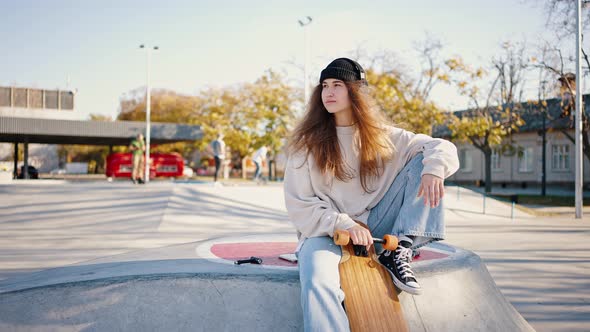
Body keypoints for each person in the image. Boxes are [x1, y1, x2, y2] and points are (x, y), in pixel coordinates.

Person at [283, 58, 459, 331]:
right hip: (326, 231)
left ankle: (401, 248)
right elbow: (299, 206)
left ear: (355, 91)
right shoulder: (306, 144)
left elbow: (441, 146)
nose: (328, 92)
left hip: (377, 227)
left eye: (337, 85)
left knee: (422, 162)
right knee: (318, 281)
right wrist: (343, 223)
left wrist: (434, 170)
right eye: (324, 86)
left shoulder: (382, 137)